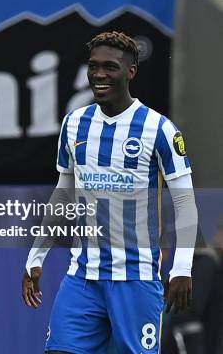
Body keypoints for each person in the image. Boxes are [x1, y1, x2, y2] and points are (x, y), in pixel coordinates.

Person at [22, 31, 197, 353]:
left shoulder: (159, 129)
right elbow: (63, 194)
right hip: (82, 276)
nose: (99, 74)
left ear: (131, 71)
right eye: (93, 66)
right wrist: (36, 256)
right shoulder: (74, 124)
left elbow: (184, 201)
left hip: (136, 278)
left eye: (110, 67)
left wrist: (182, 267)